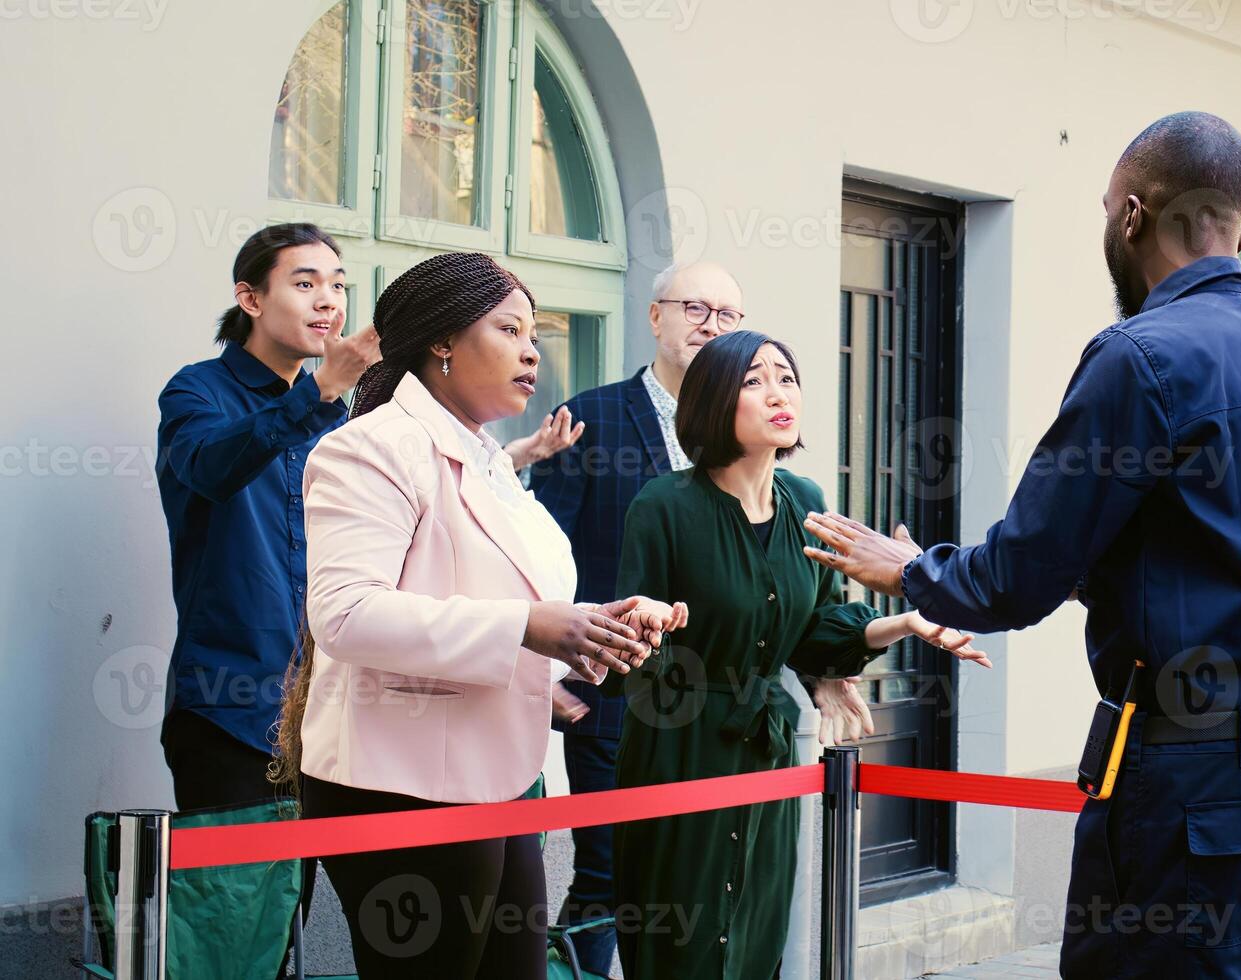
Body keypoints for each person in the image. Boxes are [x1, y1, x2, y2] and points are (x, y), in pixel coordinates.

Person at [803, 112, 1241, 978]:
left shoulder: (1139, 358)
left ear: (1134, 218)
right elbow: (1227, 555)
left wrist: (910, 569)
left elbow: (1021, 575)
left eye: (1107, 211)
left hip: (1190, 773)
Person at [281, 251, 686, 979]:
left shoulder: (491, 459)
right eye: (510, 329)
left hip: (497, 773)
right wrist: (531, 627)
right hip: (398, 780)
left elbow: (515, 600)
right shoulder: (369, 449)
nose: (532, 350)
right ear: (442, 340)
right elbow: (344, 615)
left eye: (535, 334)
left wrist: (590, 627)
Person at [607, 330, 990, 979]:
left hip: (769, 747)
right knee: (682, 944)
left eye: (785, 376)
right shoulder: (664, 506)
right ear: (712, 400)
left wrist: (906, 621)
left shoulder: (806, 503)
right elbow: (629, 655)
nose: (777, 393)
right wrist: (648, 633)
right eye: (754, 380)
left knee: (757, 934)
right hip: (680, 746)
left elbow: (813, 632)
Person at [528, 261, 874, 976]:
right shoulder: (592, 419)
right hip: (614, 699)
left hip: (731, 720)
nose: (712, 324)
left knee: (737, 903)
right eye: (696, 307)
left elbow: (773, 596)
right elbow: (538, 554)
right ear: (655, 316)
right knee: (610, 882)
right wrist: (546, 679)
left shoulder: (780, 479)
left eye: (729, 314)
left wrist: (831, 663)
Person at [156, 222, 378, 810]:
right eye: (305, 284)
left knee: (295, 902)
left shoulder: (336, 416)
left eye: (337, 285)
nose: (329, 300)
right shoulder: (196, 391)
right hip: (230, 706)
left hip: (327, 709)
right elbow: (211, 468)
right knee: (237, 900)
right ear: (251, 298)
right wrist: (320, 391)